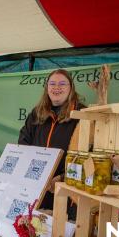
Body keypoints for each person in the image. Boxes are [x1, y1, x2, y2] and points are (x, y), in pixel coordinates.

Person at [18, 69, 85, 212]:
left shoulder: (81, 115)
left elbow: (87, 156)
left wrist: (62, 178)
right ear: (47, 88)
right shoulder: (36, 113)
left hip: (66, 189)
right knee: (35, 228)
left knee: (61, 229)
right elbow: (23, 144)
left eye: (62, 84)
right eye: (52, 83)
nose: (57, 87)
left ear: (71, 88)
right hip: (37, 186)